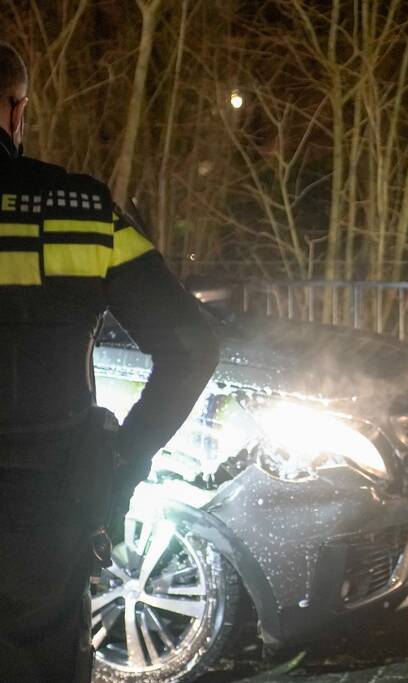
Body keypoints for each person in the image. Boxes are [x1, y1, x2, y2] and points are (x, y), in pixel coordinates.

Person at [0, 43, 219, 680]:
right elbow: (191, 345)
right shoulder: (80, 213)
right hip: (50, 509)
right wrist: (124, 461)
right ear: (17, 110)